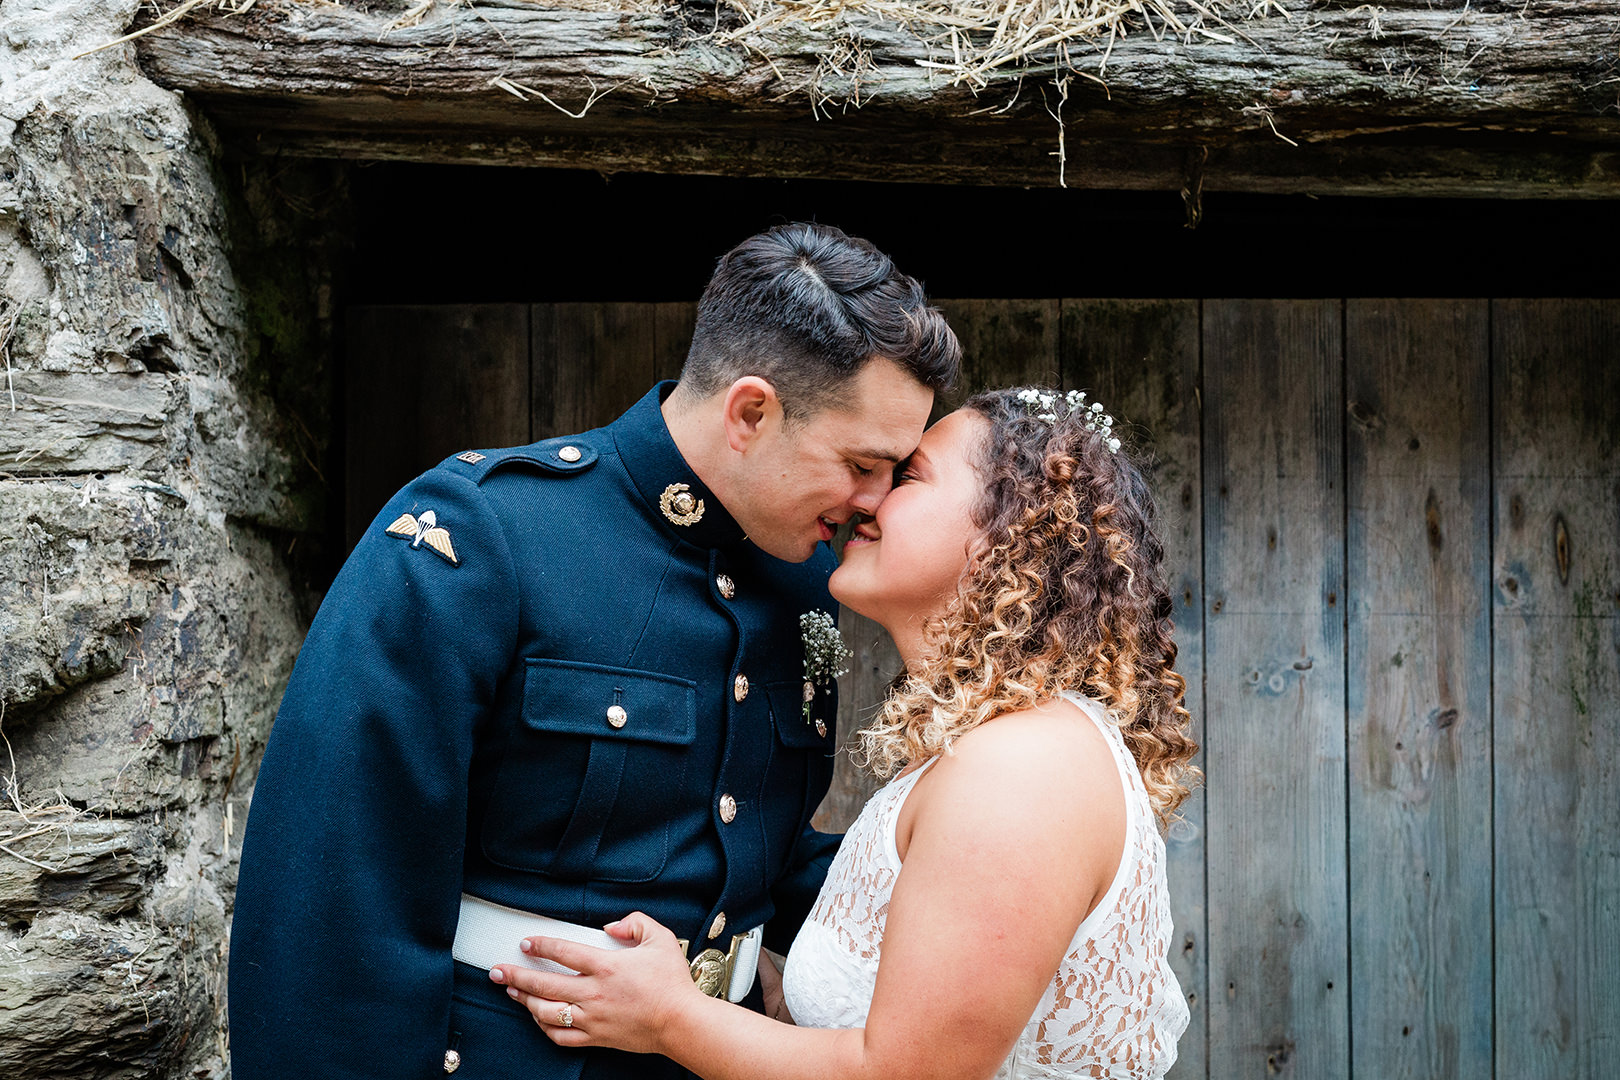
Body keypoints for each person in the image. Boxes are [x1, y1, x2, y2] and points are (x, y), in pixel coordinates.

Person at [227, 222, 961, 1079]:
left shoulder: (803, 585)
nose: (875, 504)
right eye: (862, 465)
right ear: (751, 412)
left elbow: (758, 848)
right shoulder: (482, 535)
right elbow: (331, 902)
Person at [487, 387, 1200, 1080]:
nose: (869, 497)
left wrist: (671, 1018)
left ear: (1010, 533)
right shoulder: (1012, 743)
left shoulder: (1024, 767)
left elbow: (912, 1074)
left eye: (908, 475)